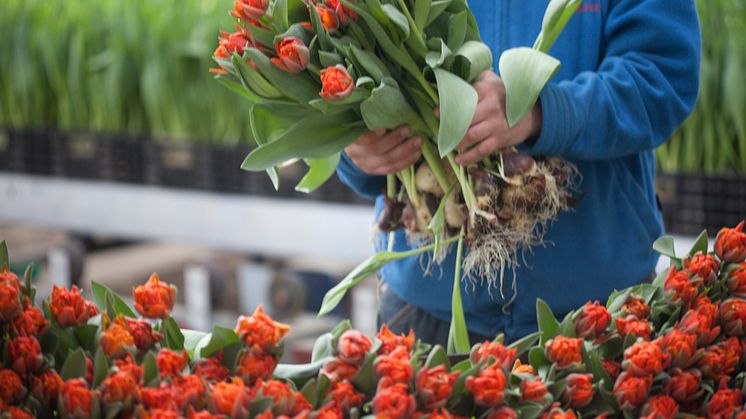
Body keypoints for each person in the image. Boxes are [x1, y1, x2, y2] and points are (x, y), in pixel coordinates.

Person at [337, 0, 701, 345]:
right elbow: (346, 72)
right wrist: (358, 146)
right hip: (425, 307)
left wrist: (541, 111)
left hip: (600, 311)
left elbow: (663, 77)